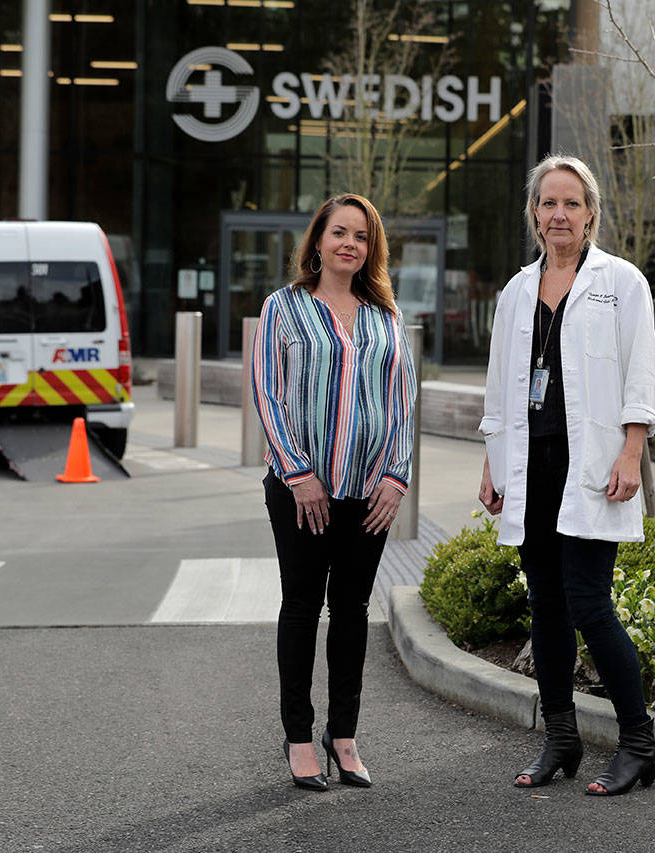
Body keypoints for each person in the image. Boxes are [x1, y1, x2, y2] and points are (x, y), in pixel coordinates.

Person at [478, 155, 655, 796]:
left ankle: (639, 742)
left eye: (571, 204)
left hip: (591, 465)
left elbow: (642, 371)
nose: (559, 215)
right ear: (535, 215)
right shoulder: (515, 292)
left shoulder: (622, 282)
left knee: (588, 603)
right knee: (546, 606)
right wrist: (492, 463)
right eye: (548, 204)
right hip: (532, 466)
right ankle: (561, 736)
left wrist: (631, 449)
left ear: (591, 215)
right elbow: (502, 385)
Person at [251, 193, 417, 792]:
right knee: (301, 607)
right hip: (302, 492)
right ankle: (299, 737)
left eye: (362, 236)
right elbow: (267, 393)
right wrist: (298, 472)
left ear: (371, 249)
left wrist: (397, 479)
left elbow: (402, 403)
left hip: (369, 493)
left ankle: (342, 736)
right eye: (339, 232)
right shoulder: (283, 308)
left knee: (351, 613)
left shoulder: (386, 317)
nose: (350, 243)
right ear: (318, 240)